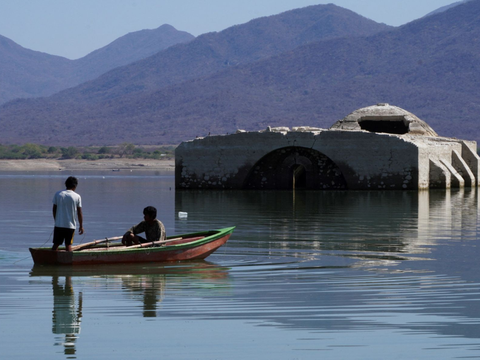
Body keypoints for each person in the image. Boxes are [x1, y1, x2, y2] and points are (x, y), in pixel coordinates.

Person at [52, 176, 84, 251]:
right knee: (68, 245)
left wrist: (56, 220)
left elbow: (54, 209)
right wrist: (81, 226)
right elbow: (79, 213)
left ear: (66, 184)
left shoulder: (58, 194)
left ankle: (51, 259)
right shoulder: (77, 196)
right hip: (70, 226)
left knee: (56, 244)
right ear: (74, 186)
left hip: (59, 225)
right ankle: (69, 260)